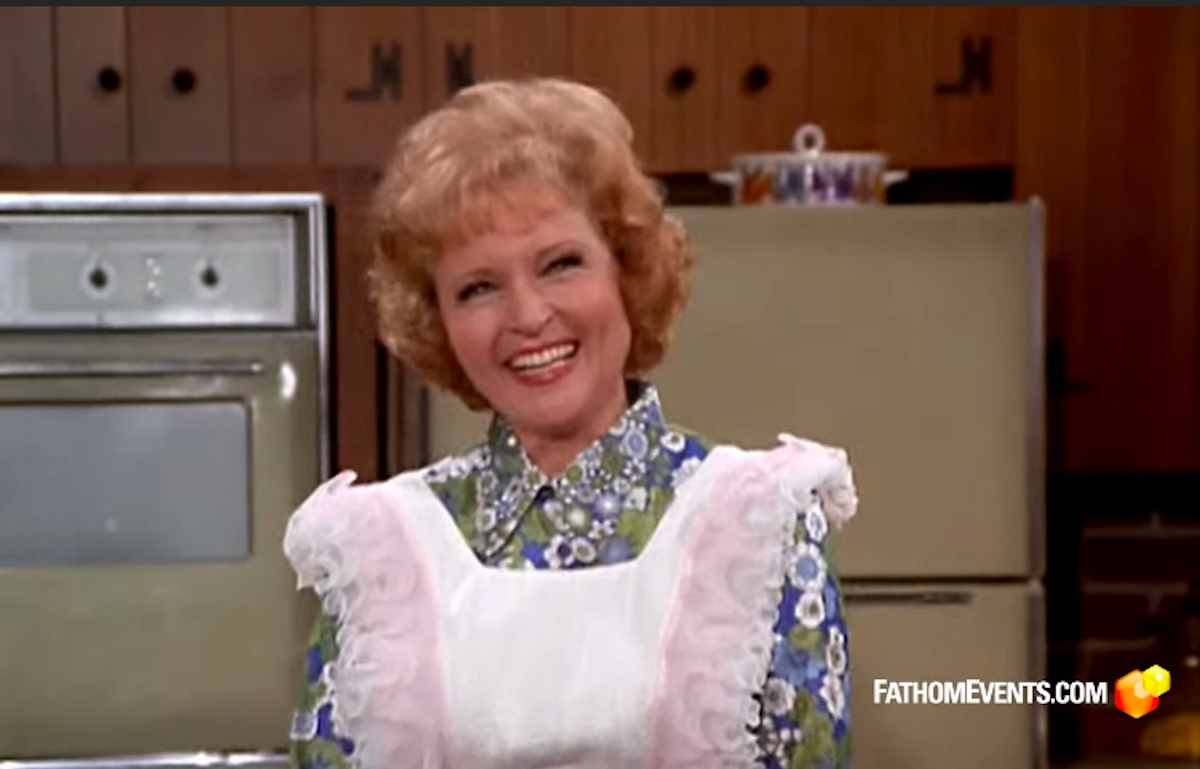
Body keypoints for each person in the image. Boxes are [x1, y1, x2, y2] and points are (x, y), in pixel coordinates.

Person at [283, 78, 858, 769]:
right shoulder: (377, 549)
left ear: (628, 273)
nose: (528, 316)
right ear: (438, 324)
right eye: (479, 288)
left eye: (560, 265)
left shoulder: (759, 522)